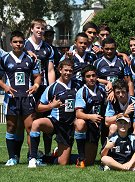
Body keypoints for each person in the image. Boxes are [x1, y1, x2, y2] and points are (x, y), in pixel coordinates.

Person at [0, 31, 41, 166]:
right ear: (11, 43)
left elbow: (37, 75)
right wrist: (5, 87)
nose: (18, 44)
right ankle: (12, 158)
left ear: (24, 43)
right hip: (11, 98)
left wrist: (36, 85)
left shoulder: (31, 58)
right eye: (16, 42)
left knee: (30, 127)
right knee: (11, 127)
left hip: (27, 97)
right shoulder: (5, 58)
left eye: (21, 42)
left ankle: (33, 158)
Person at [28, 58, 79, 167]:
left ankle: (43, 158)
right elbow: (38, 107)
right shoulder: (52, 87)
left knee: (62, 163)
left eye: (70, 70)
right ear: (60, 70)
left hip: (68, 126)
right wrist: (51, 105)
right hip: (55, 122)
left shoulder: (77, 86)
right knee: (36, 123)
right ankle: (32, 158)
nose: (68, 73)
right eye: (66, 70)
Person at [74, 65, 106, 167]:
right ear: (84, 78)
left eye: (93, 75)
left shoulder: (102, 89)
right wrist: (91, 117)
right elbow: (78, 113)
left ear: (97, 76)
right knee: (80, 122)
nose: (91, 78)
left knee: (91, 161)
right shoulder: (82, 92)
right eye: (88, 76)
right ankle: (81, 157)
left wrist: (110, 87)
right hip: (87, 124)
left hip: (98, 125)